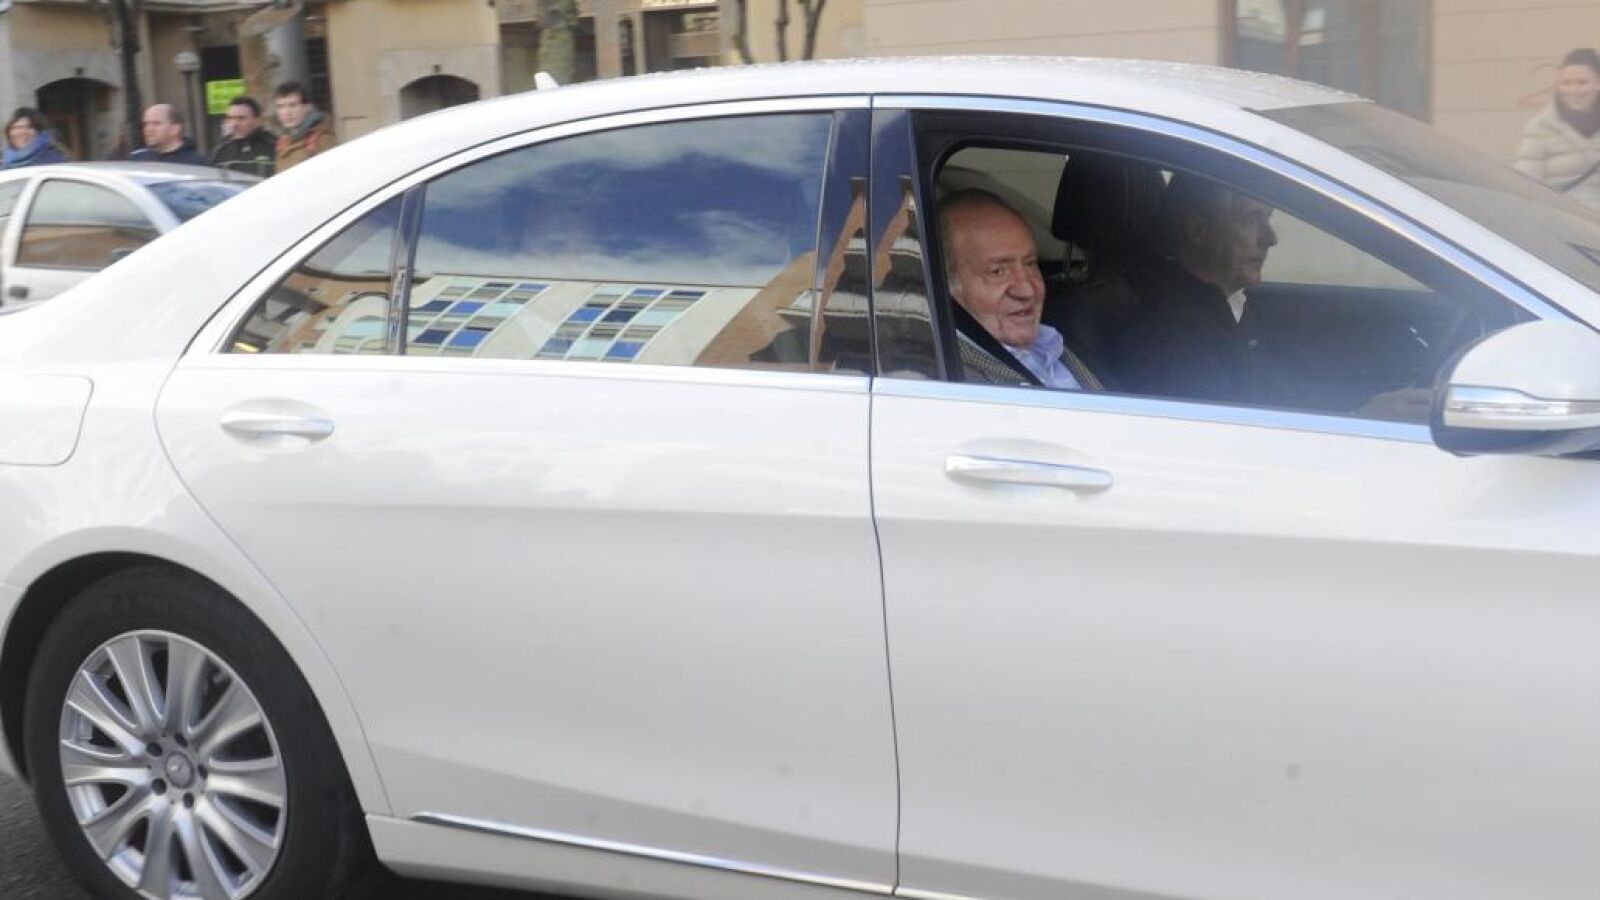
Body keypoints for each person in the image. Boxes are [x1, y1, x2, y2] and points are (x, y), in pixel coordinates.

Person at [940, 189, 1099, 390]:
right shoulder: (946, 380)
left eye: (1030, 264)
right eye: (997, 271)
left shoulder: (1063, 342)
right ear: (944, 284)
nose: (1027, 291)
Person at [1514, 48, 1600, 209]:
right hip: (1561, 219)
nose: (1573, 90)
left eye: (1582, 82)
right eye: (1566, 83)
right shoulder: (1540, 128)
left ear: (1598, 83)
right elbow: (1526, 185)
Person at [273, 81, 335, 172]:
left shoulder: (322, 139)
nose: (286, 112)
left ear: (307, 107)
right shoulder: (286, 140)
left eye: (293, 105)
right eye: (280, 106)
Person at [211, 96, 277, 177]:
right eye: (230, 118)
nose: (234, 124)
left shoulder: (275, 147)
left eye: (241, 118)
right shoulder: (221, 151)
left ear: (257, 120)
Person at [128, 104, 207, 165]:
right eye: (146, 124)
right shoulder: (137, 159)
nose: (149, 129)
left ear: (175, 129)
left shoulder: (197, 163)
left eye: (156, 123)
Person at [2, 108, 70, 169]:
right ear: (9, 132)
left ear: (40, 132)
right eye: (17, 127)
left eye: (29, 127)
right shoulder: (6, 161)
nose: (22, 132)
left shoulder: (53, 159)